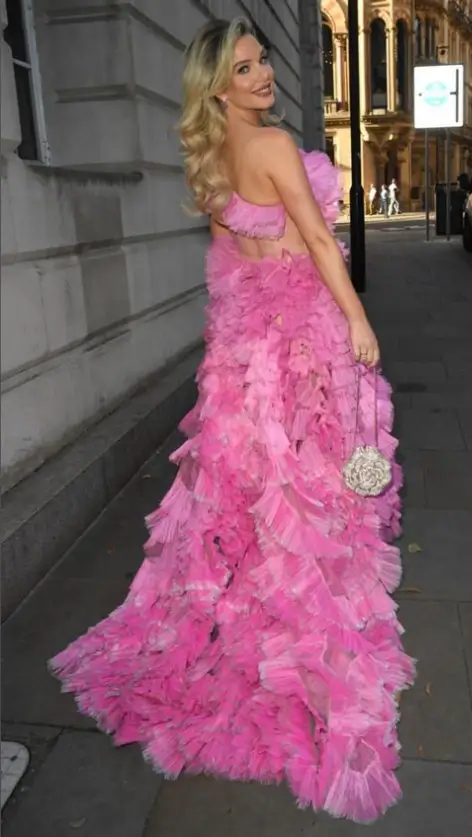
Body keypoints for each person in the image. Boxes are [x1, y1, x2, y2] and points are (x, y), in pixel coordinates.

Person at [48, 18, 415, 826]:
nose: (261, 76)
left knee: (257, 498)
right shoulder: (276, 146)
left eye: (261, 62)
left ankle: (260, 624)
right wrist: (356, 317)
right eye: (242, 69)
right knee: (327, 478)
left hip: (250, 354)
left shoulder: (209, 160)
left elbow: (226, 268)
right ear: (216, 86)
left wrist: (234, 359)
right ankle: (312, 626)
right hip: (306, 342)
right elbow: (318, 238)